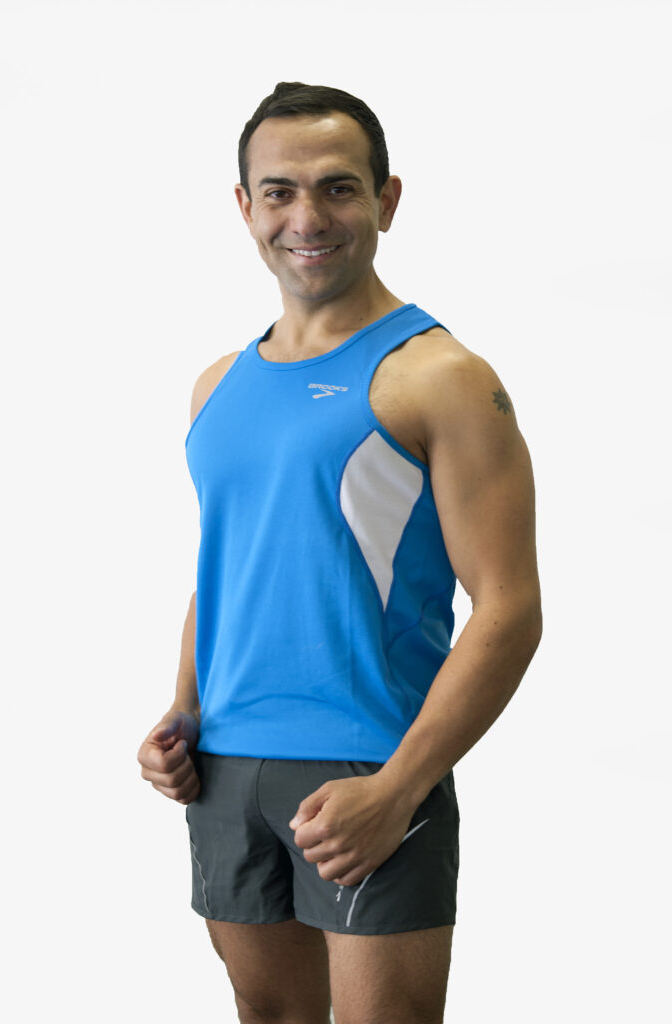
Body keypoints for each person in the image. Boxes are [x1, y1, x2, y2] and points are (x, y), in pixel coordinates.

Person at [138, 81, 542, 1024]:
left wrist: (400, 789)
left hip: (365, 768)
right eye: (279, 192)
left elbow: (510, 608)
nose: (306, 217)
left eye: (338, 188)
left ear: (386, 200)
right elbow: (228, 570)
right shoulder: (216, 386)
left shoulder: (438, 376)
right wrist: (184, 709)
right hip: (224, 769)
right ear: (245, 207)